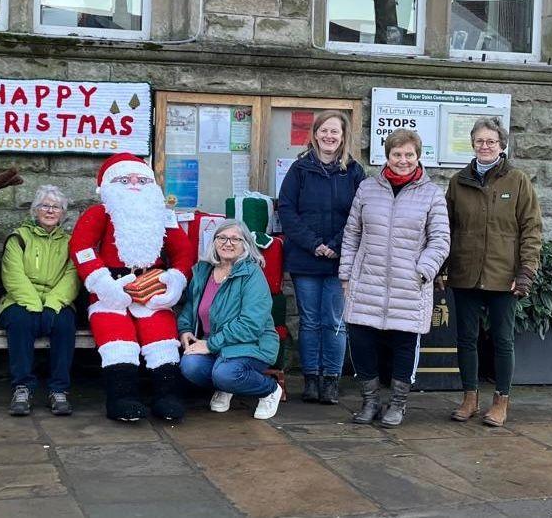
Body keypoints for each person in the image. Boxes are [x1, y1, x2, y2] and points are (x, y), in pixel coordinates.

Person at [69, 154, 195, 422]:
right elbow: (82, 249)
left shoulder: (163, 216)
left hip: (152, 291)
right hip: (110, 293)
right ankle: (122, 398)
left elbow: (184, 252)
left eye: (141, 179)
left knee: (162, 338)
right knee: (118, 340)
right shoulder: (98, 214)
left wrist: (175, 279)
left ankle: (167, 397)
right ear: (107, 186)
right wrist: (104, 285)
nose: (134, 184)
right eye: (125, 180)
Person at [338, 129, 450, 427]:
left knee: (404, 346)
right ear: (386, 156)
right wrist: (346, 275)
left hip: (409, 285)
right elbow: (352, 234)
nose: (403, 160)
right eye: (396, 154)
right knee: (362, 343)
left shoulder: (432, 194)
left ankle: (398, 404)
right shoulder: (367, 189)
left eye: (409, 154)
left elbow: (440, 240)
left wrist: (422, 270)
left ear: (418, 156)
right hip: (367, 282)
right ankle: (370, 401)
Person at [444, 116, 542, 427]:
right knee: (466, 339)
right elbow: (445, 229)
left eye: (491, 141)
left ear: (501, 145)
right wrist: (441, 267)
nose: (485, 146)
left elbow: (532, 229)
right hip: (466, 273)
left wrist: (526, 271)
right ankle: (469, 398)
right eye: (479, 141)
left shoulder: (518, 181)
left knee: (503, 340)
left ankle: (501, 400)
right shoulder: (458, 182)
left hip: (504, 276)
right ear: (472, 144)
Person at [278, 110, 366, 404]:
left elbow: (360, 214)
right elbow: (287, 211)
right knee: (310, 321)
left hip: (341, 259)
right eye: (324, 131)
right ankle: (311, 378)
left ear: (343, 136)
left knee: (335, 322)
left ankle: (331, 379)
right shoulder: (299, 170)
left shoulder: (353, 172)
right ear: (315, 134)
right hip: (306, 259)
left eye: (335, 132)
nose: (329, 136)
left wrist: (336, 245)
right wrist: (315, 244)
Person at [177, 221, 283, 420]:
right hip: (216, 345)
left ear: (246, 245)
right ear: (214, 242)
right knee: (190, 366)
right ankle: (224, 387)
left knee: (226, 374)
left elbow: (251, 324)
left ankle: (269, 389)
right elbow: (191, 306)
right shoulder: (203, 271)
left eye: (236, 239)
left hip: (251, 345)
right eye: (222, 238)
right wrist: (185, 329)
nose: (228, 243)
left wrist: (210, 344)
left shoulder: (251, 274)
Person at [0, 185, 80, 416]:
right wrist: (34, 305)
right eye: (45, 206)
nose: (50, 211)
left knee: (64, 325)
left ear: (63, 213)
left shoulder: (70, 242)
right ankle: (22, 387)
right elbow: (12, 275)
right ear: (35, 210)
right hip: (20, 299)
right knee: (21, 322)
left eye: (56, 207)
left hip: (57, 300)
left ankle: (59, 390)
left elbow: (72, 277)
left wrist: (52, 304)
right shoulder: (19, 238)